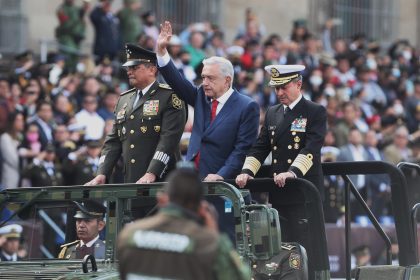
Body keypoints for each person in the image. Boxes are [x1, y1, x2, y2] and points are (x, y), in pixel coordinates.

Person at [235, 64, 327, 278]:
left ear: (298, 84)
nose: (279, 93)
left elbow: (311, 147)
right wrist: (247, 171)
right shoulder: (273, 113)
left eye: (284, 87)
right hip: (279, 193)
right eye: (276, 88)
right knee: (282, 248)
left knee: (306, 249)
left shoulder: (314, 111)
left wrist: (293, 172)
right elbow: (261, 146)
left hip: (304, 194)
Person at [156, 21, 260, 181]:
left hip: (224, 185)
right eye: (203, 77)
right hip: (193, 181)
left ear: (227, 80)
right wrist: (162, 51)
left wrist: (221, 175)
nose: (204, 82)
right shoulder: (201, 96)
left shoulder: (247, 106)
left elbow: (242, 150)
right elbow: (177, 81)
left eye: (210, 78)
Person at [117, 168, 250, 280]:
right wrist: (214, 235)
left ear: (161, 199)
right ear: (201, 206)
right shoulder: (208, 243)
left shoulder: (129, 235)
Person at [86, 44, 186, 185]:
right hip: (132, 179)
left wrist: (153, 172)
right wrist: (102, 173)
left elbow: (168, 140)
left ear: (152, 69)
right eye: (128, 68)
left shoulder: (169, 96)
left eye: (135, 68)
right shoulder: (124, 99)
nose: (129, 72)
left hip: (163, 180)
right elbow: (113, 141)